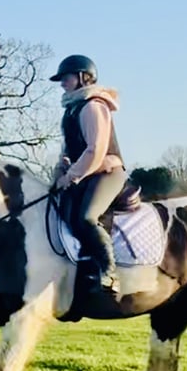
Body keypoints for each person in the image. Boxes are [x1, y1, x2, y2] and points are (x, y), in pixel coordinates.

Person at [50, 54, 127, 294]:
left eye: (67, 77)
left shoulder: (93, 106)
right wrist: (61, 166)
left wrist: (71, 176)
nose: (62, 83)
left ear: (84, 77)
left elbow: (96, 149)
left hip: (107, 172)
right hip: (84, 173)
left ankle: (110, 273)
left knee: (87, 217)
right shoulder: (72, 109)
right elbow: (71, 148)